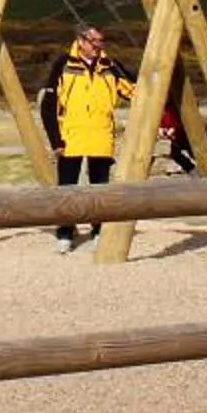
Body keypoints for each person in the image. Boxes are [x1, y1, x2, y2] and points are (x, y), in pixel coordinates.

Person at [43, 26, 134, 252]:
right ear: (81, 41)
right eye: (93, 41)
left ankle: (98, 230)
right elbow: (48, 104)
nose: (97, 46)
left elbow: (133, 91)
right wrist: (56, 140)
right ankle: (65, 232)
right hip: (70, 135)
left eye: (101, 41)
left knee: (99, 187)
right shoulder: (63, 65)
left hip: (101, 134)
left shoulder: (110, 67)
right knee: (67, 188)